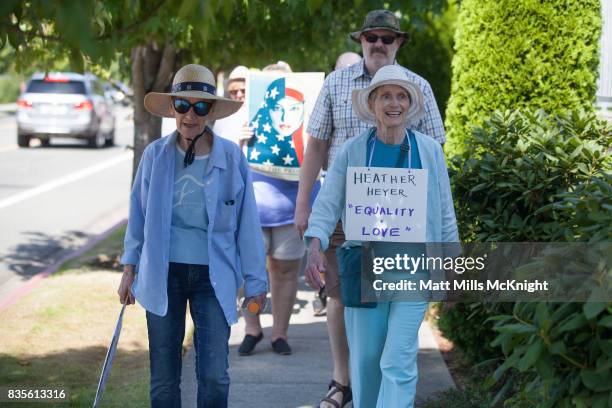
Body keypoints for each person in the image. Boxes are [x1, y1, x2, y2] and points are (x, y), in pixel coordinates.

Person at [295, 10, 447, 408]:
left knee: (398, 359)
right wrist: (314, 242)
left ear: (411, 103)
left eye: (401, 96)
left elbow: (443, 211)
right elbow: (328, 204)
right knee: (365, 361)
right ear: (373, 103)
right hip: (364, 264)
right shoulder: (351, 151)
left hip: (412, 270)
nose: (393, 103)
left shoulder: (429, 152)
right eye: (385, 96)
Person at [117, 63, 268, 408]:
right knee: (164, 379)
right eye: (183, 105)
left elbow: (247, 223)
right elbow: (138, 216)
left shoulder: (231, 157)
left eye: (201, 106)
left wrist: (255, 281)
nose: (190, 115)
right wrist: (129, 268)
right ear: (173, 108)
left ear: (212, 110)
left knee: (215, 375)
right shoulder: (155, 155)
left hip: (213, 277)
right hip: (163, 272)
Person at [238, 62, 319, 356]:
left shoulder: (309, 124)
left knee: (285, 273)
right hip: (251, 212)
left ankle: (279, 334)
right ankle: (252, 328)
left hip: (291, 209)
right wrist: (240, 140)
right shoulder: (243, 121)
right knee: (249, 274)